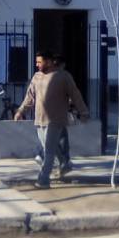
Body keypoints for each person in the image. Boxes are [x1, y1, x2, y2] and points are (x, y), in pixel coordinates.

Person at [14, 49, 89, 188]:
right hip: (39, 119)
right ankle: (64, 164)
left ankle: (43, 180)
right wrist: (20, 111)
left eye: (39, 62)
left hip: (55, 120)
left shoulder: (63, 77)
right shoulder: (36, 77)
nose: (37, 64)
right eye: (36, 62)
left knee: (48, 150)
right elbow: (29, 97)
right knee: (50, 148)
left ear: (48, 62)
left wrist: (83, 112)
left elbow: (76, 95)